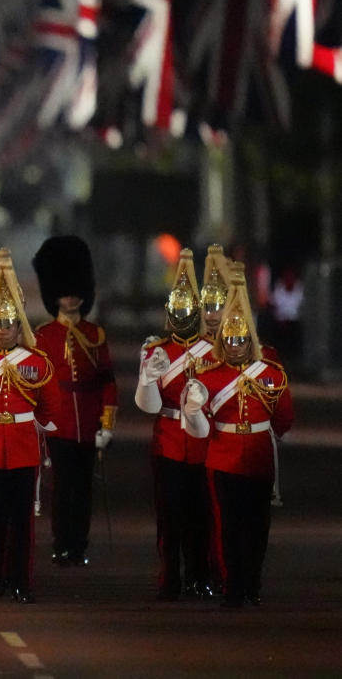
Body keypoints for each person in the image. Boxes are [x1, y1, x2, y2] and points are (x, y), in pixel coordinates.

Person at [193, 272, 293, 608]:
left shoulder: (270, 372)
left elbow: (283, 417)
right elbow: (200, 422)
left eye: (241, 341)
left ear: (250, 340)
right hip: (223, 457)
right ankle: (234, 585)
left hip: (260, 457)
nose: (235, 347)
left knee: (257, 526)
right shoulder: (210, 376)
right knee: (229, 527)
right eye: (230, 341)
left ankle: (253, 582)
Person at [0, 261, 60, 605]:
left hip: (22, 447)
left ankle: (20, 581)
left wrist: (42, 426)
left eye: (9, 323)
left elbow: (50, 404)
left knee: (21, 521)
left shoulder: (35, 360)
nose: (4, 329)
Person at [133, 249, 217, 600]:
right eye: (177, 312)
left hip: (204, 444)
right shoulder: (157, 350)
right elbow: (148, 405)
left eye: (188, 312)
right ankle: (170, 576)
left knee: (202, 514)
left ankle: (201, 576)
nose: (182, 318)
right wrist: (148, 378)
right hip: (168, 440)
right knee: (169, 515)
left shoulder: (213, 351)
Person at [32, 235, 117, 567]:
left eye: (74, 289)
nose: (69, 296)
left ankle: (78, 543)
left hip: (87, 421)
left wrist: (106, 425)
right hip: (58, 422)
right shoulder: (44, 336)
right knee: (61, 487)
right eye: (64, 291)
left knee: (83, 489)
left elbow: (107, 384)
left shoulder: (96, 335)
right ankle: (61, 541)